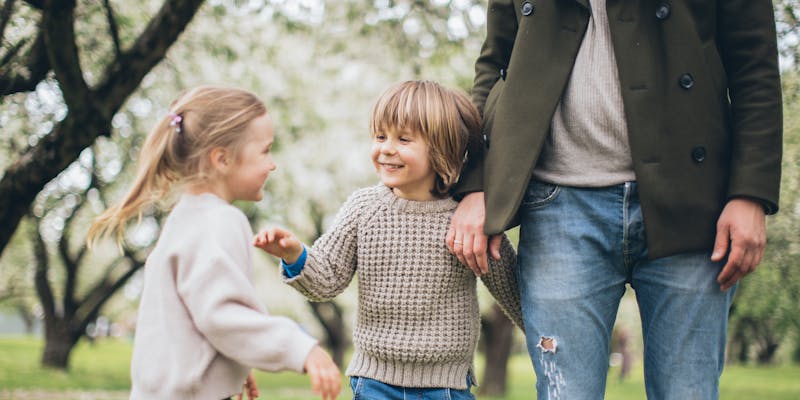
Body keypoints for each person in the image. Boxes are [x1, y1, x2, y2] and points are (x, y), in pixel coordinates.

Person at [448, 1, 783, 399]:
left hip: (692, 203)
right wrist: (476, 183)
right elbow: (494, 66)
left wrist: (750, 193)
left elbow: (755, 68)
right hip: (558, 204)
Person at [254, 80, 524, 400]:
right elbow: (327, 279)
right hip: (375, 383)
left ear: (443, 149)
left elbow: (512, 288)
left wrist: (551, 332)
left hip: (445, 386)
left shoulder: (467, 219)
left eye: (403, 139)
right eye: (380, 136)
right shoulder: (364, 209)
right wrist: (293, 253)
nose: (386, 148)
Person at [87, 86, 342, 400]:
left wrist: (229, 366)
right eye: (265, 151)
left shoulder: (184, 218)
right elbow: (221, 315)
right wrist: (303, 349)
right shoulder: (221, 220)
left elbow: (192, 315)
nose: (272, 164)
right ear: (222, 159)